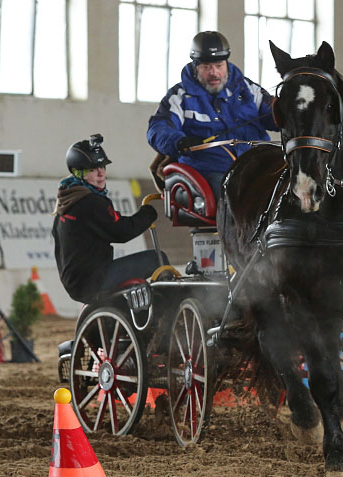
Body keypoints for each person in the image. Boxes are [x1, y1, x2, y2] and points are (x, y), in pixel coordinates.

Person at [146, 31, 279, 199]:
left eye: (219, 66)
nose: (214, 73)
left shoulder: (248, 89)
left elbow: (276, 116)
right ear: (195, 67)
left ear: (227, 64)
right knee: (230, 196)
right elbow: (159, 129)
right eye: (206, 67)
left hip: (258, 164)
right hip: (211, 169)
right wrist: (179, 142)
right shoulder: (179, 96)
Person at [52, 134, 167, 304]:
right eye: (92, 169)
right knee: (158, 259)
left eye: (102, 167)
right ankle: (168, 310)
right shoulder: (90, 202)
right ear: (78, 173)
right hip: (93, 282)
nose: (100, 173)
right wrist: (148, 212)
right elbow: (122, 231)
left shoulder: (66, 200)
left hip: (77, 283)